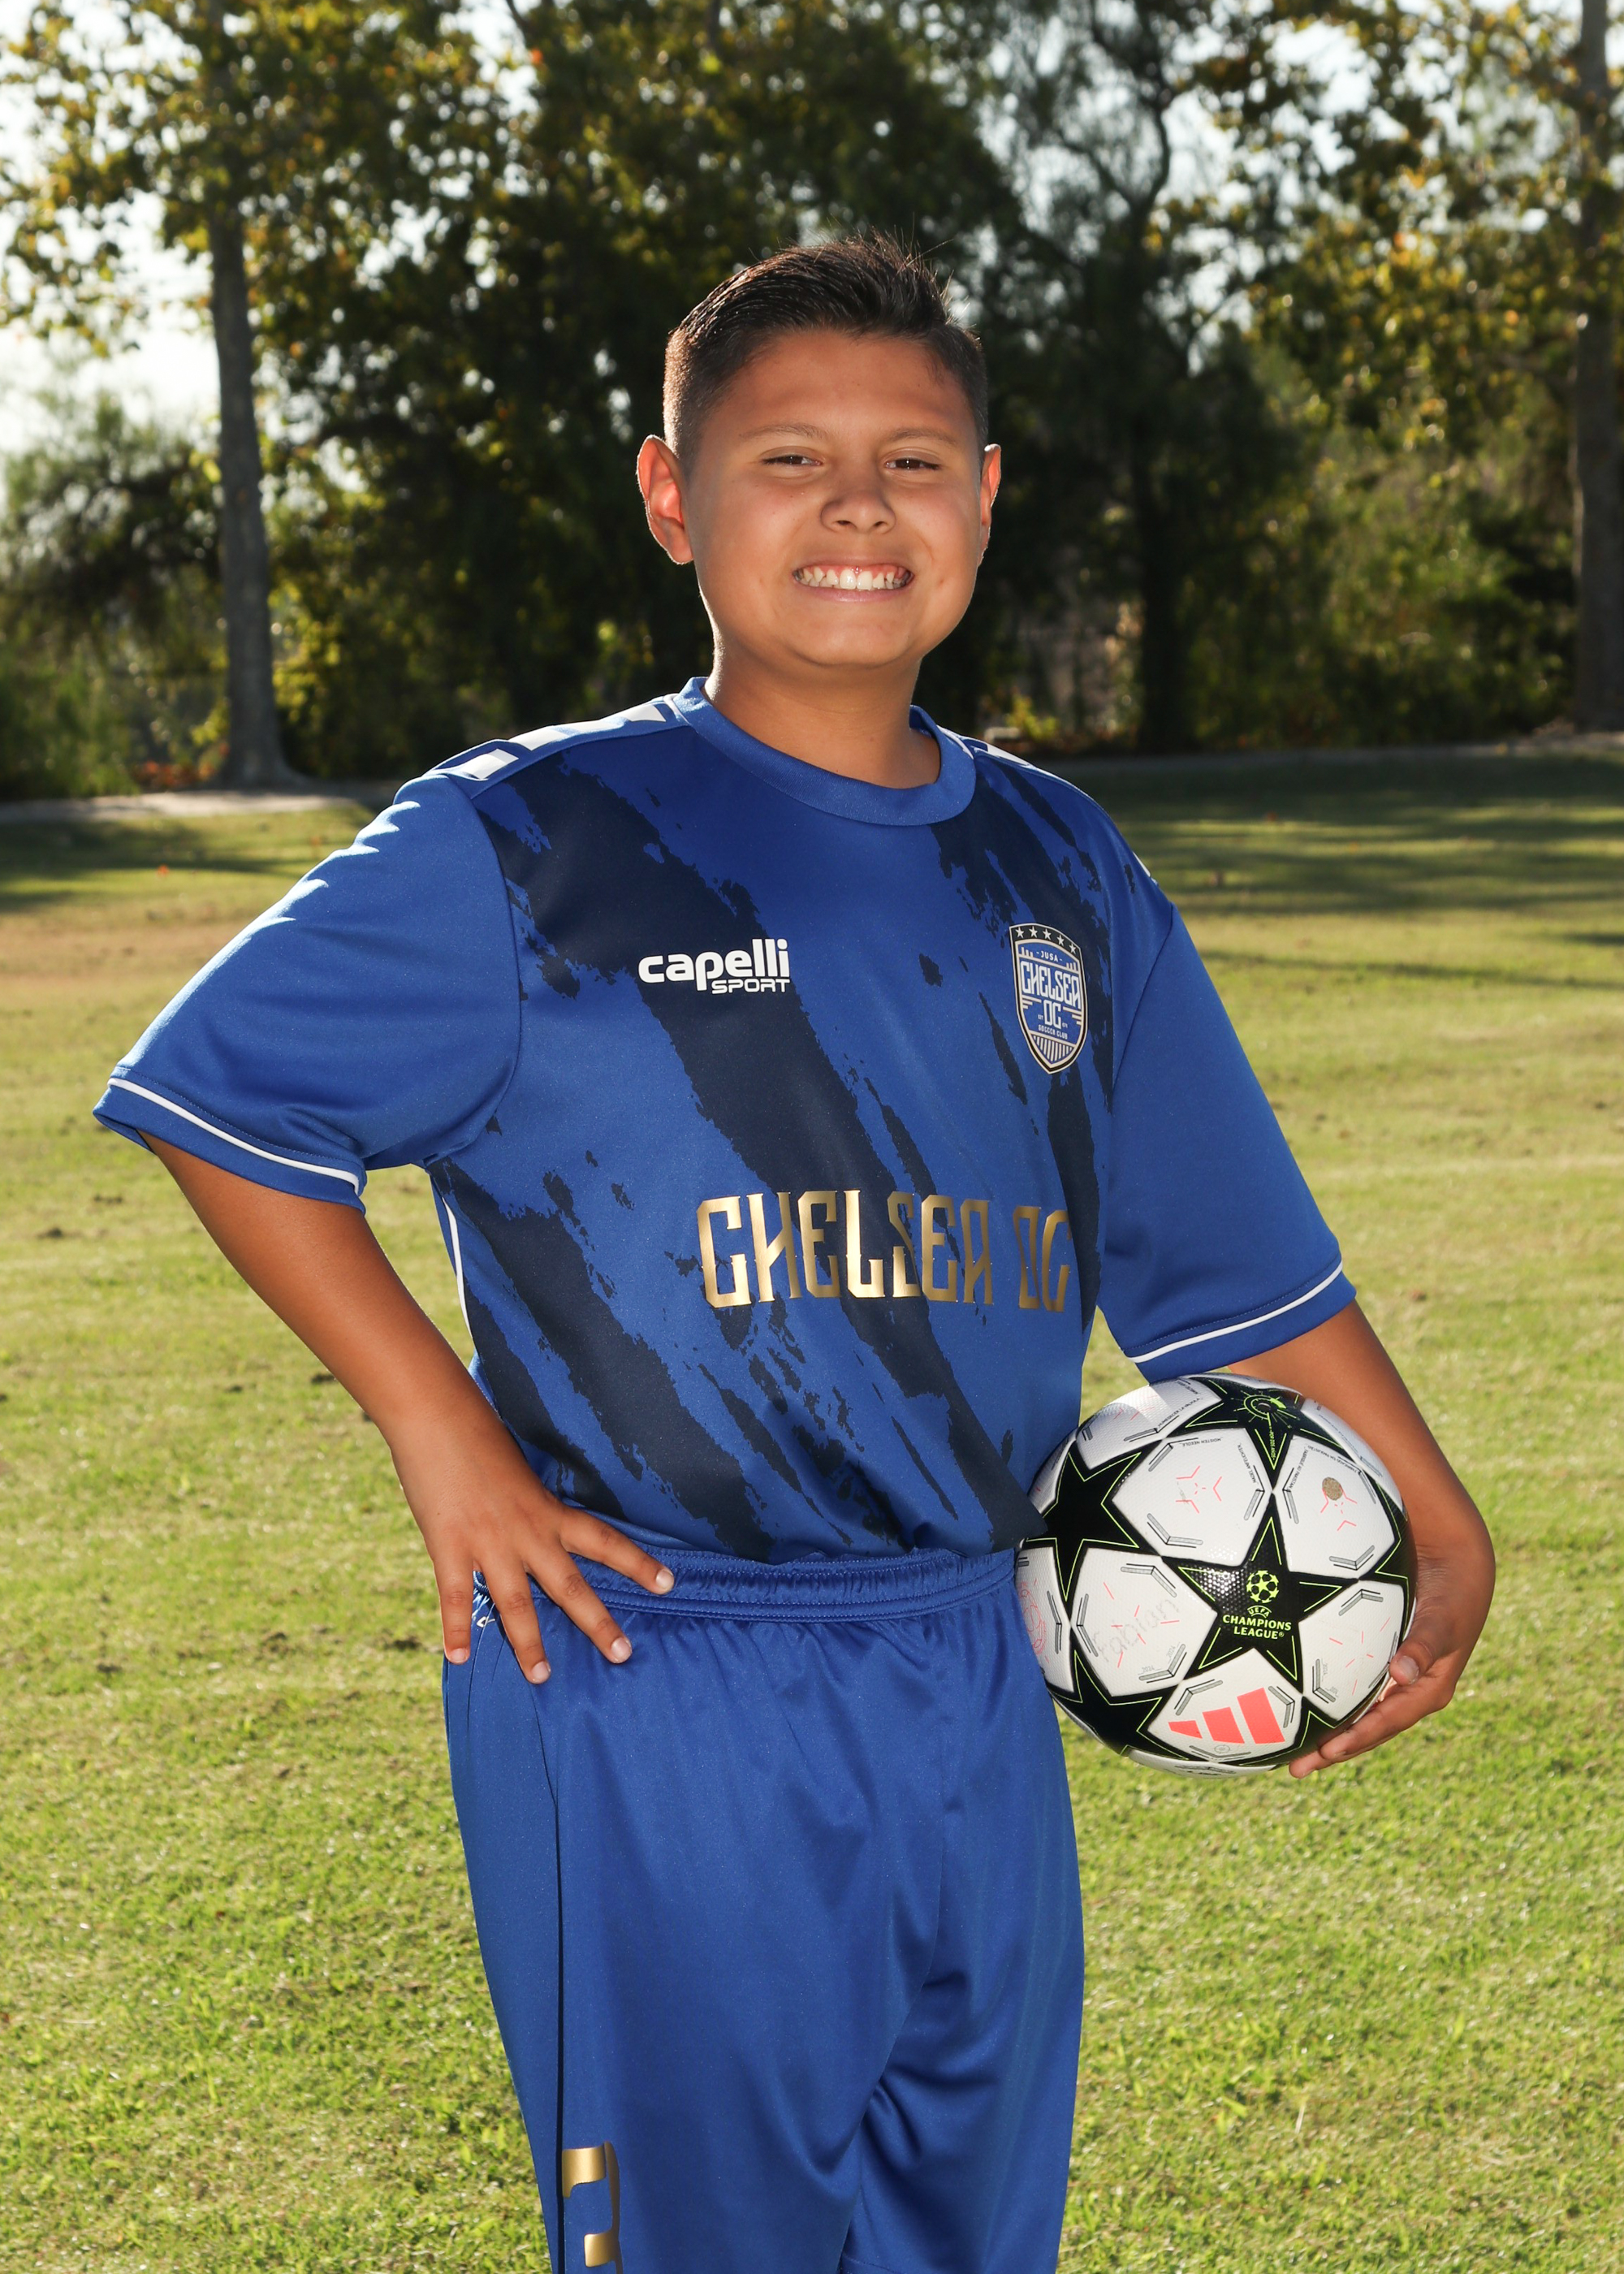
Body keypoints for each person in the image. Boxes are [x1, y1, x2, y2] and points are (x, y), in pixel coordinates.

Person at [94, 235, 1494, 2274]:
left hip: (973, 1642)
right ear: (672, 497)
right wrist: (442, 1432)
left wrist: (1436, 1513)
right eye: (789, 459)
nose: (859, 505)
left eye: (913, 460)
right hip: (658, 1657)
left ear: (983, 499)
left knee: (963, 2219)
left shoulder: (1060, 868)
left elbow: (1228, 1268)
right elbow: (224, 1104)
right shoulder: (541, 841)